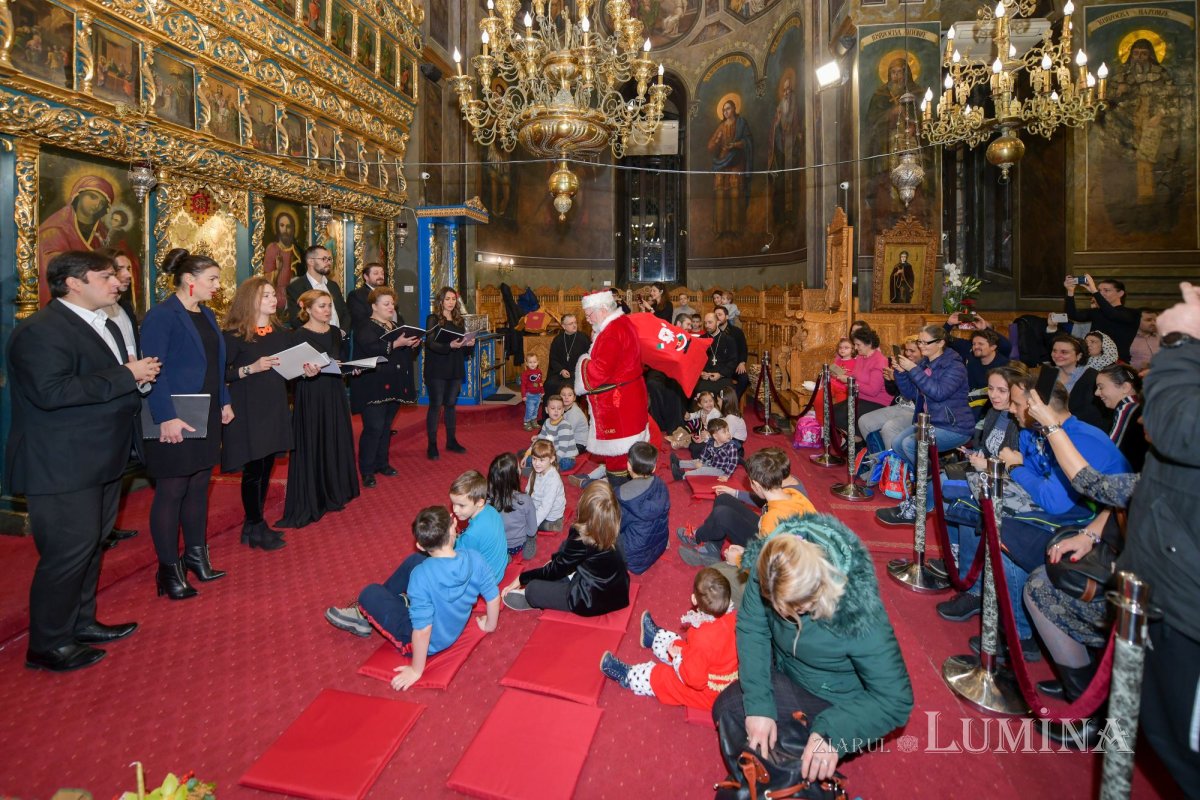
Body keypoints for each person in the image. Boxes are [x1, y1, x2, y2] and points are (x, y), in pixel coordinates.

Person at [8, 251, 158, 671]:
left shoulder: (99, 323)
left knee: (92, 546)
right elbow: (51, 392)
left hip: (100, 457)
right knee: (67, 552)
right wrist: (127, 375)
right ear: (73, 282)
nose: (116, 282)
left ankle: (82, 622)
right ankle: (48, 643)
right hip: (62, 463)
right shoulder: (40, 331)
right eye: (106, 276)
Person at [936, 375, 1129, 659]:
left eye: (1017, 403)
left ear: (1038, 406)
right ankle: (973, 589)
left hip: (1093, 527)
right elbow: (1037, 480)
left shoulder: (1083, 438)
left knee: (1008, 534)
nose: (1012, 410)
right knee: (969, 500)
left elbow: (1051, 498)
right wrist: (1017, 468)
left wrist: (1015, 468)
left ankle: (1021, 635)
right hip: (1060, 510)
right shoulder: (1034, 432)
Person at [714, 515, 913, 786]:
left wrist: (834, 734)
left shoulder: (859, 613)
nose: (782, 614)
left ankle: (798, 772)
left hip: (835, 699)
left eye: (796, 609)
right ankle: (788, 765)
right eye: (774, 604)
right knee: (730, 710)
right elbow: (753, 627)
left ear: (821, 589)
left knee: (758, 740)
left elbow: (895, 701)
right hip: (788, 670)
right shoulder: (773, 564)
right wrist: (760, 705)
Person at [140, 249, 233, 599]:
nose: (217, 286)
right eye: (213, 280)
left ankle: (196, 556)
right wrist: (165, 416)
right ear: (189, 281)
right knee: (172, 491)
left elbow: (215, 364)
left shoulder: (207, 315)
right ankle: (168, 569)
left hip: (205, 412)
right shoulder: (162, 317)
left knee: (198, 486)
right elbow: (153, 369)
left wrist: (224, 402)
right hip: (173, 415)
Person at [324, 506, 500, 691]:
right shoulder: (475, 558)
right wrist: (490, 625)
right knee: (414, 561)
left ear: (421, 545)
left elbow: (423, 630)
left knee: (369, 593)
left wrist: (416, 669)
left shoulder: (421, 576)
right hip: (450, 626)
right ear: (454, 525)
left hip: (424, 641)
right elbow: (493, 597)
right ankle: (399, 603)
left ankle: (363, 616)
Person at [221, 276, 296, 551]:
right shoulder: (233, 336)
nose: (273, 299)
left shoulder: (281, 333)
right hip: (248, 407)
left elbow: (290, 367)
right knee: (253, 468)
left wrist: (305, 368)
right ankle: (254, 522)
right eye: (265, 295)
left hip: (274, 404)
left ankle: (254, 524)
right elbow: (220, 374)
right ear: (250, 300)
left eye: (273, 295)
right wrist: (250, 368)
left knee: (266, 466)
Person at [275, 289, 359, 528]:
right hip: (310, 393)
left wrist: (348, 367)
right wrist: (304, 371)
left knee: (333, 439)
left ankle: (335, 489)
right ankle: (314, 496)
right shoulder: (297, 335)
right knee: (313, 441)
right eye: (321, 306)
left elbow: (336, 359)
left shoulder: (334, 332)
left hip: (334, 392)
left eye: (329, 306)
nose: (327, 310)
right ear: (308, 309)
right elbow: (289, 372)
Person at [876, 325, 974, 526]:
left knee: (912, 445)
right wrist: (902, 373)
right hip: (929, 423)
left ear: (940, 343)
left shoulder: (954, 366)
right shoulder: (926, 363)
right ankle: (927, 473)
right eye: (919, 342)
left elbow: (937, 393)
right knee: (897, 442)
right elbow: (911, 394)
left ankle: (926, 480)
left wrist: (912, 369)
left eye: (924, 342)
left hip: (954, 426)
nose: (921, 346)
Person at [601, 568, 738, 710]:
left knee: (661, 677)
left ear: (694, 599)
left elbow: (695, 680)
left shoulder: (701, 637)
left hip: (709, 692)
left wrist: (678, 659)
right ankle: (653, 638)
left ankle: (628, 676)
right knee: (678, 644)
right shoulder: (733, 617)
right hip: (716, 670)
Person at [501, 481, 631, 614]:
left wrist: (522, 578)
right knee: (557, 565)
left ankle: (533, 597)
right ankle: (561, 580)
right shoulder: (611, 524)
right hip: (619, 591)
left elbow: (555, 570)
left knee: (533, 588)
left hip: (590, 598)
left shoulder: (582, 537)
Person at [679, 446, 816, 567]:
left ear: (756, 484)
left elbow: (766, 561)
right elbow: (764, 501)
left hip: (772, 550)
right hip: (773, 536)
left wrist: (739, 558)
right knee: (724, 499)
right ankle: (712, 548)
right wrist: (734, 493)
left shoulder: (772, 518)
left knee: (723, 515)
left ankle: (700, 538)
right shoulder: (788, 490)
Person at [576, 289, 650, 482]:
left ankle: (618, 494)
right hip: (630, 394)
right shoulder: (622, 322)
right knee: (631, 450)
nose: (588, 319)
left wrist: (583, 361)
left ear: (602, 309)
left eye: (589, 314)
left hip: (619, 402)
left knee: (618, 455)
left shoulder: (611, 332)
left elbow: (598, 372)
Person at [351, 287, 419, 487]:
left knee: (386, 426)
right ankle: (366, 469)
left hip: (394, 383)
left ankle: (382, 463)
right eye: (386, 304)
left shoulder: (395, 325)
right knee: (373, 427)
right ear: (374, 306)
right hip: (373, 384)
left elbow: (402, 354)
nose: (391, 307)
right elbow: (370, 348)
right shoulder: (365, 326)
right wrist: (397, 344)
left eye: (392, 303)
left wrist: (412, 345)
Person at [98, 249, 142, 550]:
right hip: (105, 397)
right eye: (119, 270)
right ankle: (98, 530)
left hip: (131, 391)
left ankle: (108, 525)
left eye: (128, 268)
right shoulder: (95, 312)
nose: (127, 275)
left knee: (119, 467)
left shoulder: (124, 307)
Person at [36, 176, 115, 307]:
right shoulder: (55, 229)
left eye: (102, 203)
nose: (96, 205)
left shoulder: (101, 233)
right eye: (92, 197)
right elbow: (50, 265)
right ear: (78, 195)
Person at [424, 286, 471, 460]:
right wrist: (448, 346)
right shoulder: (433, 318)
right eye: (447, 299)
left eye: (453, 299)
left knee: (451, 404)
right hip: (437, 368)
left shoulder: (459, 321)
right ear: (441, 301)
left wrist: (468, 345)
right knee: (436, 405)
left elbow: (463, 350)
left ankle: (451, 441)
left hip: (455, 366)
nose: (451, 302)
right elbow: (429, 343)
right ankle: (432, 445)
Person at [615, 441, 670, 575]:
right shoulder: (661, 485)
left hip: (633, 558)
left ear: (628, 465)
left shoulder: (621, 495)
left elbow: (617, 526)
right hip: (659, 544)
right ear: (653, 468)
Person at [858, 336, 920, 454]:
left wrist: (898, 378)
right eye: (906, 350)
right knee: (864, 421)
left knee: (889, 428)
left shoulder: (923, 368)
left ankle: (894, 467)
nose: (908, 354)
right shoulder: (903, 364)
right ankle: (880, 459)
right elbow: (892, 391)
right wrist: (890, 379)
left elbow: (917, 395)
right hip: (900, 405)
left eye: (912, 351)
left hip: (916, 410)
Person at [449, 470, 509, 585]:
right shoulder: (491, 510)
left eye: (461, 505)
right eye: (453, 503)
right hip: (499, 567)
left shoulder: (471, 535)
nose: (455, 510)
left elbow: (454, 555)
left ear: (480, 502)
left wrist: (450, 536)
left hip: (487, 581)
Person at [1037, 333, 1107, 429]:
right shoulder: (1048, 373)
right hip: (1048, 424)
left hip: (1080, 428)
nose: (1057, 355)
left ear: (1079, 356)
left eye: (1064, 352)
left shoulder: (1093, 377)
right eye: (1054, 351)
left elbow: (1091, 414)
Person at [1064, 274, 1140, 362]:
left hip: (1117, 362)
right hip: (1093, 360)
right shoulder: (1097, 312)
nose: (1101, 293)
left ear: (1120, 293)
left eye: (1106, 290)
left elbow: (1112, 314)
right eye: (1100, 290)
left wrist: (1094, 291)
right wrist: (1070, 291)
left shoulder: (1132, 313)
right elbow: (1072, 315)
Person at [832, 327, 892, 436]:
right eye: (855, 344)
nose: (855, 347)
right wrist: (843, 376)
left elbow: (873, 391)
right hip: (861, 398)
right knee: (832, 411)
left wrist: (850, 381)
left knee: (841, 415)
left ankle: (858, 440)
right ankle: (854, 439)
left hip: (877, 402)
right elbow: (855, 375)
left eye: (858, 345)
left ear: (868, 344)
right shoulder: (860, 357)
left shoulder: (879, 361)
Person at [708, 98, 753, 239]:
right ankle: (720, 230)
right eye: (724, 109)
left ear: (734, 109)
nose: (725, 111)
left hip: (736, 162)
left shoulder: (741, 123)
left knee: (735, 195)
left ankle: (736, 230)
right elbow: (710, 147)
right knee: (720, 195)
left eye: (728, 108)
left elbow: (748, 142)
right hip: (722, 163)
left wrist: (736, 145)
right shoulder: (721, 126)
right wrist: (716, 141)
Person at [1091, 363, 1147, 471]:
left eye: (1101, 387)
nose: (1097, 393)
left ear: (1125, 387)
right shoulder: (1136, 405)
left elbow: (1111, 452)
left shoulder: (1127, 407)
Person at [487, 453, 538, 560]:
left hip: (500, 545)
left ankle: (503, 556)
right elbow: (532, 529)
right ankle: (530, 541)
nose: (521, 469)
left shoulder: (487, 500)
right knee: (532, 533)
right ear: (514, 476)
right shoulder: (524, 500)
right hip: (519, 543)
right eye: (519, 467)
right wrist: (531, 535)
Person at [286, 245, 348, 328]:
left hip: (339, 338)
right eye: (324, 259)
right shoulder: (296, 287)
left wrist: (342, 332)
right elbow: (297, 320)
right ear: (311, 262)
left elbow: (345, 313)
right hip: (313, 338)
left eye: (329, 259)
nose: (329, 262)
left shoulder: (333, 286)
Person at [670, 418, 740, 481]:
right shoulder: (711, 442)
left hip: (721, 470)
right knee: (696, 461)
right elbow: (705, 452)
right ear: (715, 436)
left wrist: (726, 475)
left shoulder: (731, 446)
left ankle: (682, 475)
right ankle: (679, 463)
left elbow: (733, 463)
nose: (728, 434)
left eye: (728, 431)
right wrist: (701, 461)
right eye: (724, 432)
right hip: (712, 463)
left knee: (702, 470)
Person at [525, 439, 566, 533]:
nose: (536, 463)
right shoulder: (534, 472)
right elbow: (528, 491)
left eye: (541, 460)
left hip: (550, 516)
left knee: (521, 523)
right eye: (534, 459)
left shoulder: (553, 480)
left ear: (551, 459)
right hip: (536, 506)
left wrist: (532, 524)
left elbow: (545, 507)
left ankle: (554, 525)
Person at [263, 210, 301, 310]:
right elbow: (267, 278)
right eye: (282, 225)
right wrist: (278, 269)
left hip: (293, 295)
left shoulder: (296, 250)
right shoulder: (273, 248)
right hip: (276, 295)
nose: (285, 229)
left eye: (288, 226)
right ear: (277, 227)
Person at [528, 395, 577, 471]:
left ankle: (541, 470)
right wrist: (530, 451)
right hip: (552, 454)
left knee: (564, 464)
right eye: (553, 408)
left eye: (559, 408)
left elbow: (562, 450)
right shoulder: (547, 421)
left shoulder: (564, 425)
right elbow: (540, 439)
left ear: (563, 410)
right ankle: (539, 468)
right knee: (530, 458)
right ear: (547, 410)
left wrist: (550, 461)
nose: (556, 411)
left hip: (566, 457)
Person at [694, 311, 738, 395]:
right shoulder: (700, 339)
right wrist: (701, 372)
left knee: (728, 393)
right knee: (698, 391)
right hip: (705, 377)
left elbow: (733, 361)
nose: (707, 326)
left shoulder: (728, 340)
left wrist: (720, 374)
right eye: (705, 323)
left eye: (710, 322)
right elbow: (695, 360)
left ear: (717, 322)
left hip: (723, 377)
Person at [545, 312, 584, 399]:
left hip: (577, 374)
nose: (574, 325)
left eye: (575, 322)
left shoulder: (583, 338)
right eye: (571, 323)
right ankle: (552, 411)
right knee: (550, 384)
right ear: (563, 326)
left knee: (569, 386)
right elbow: (553, 359)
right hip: (560, 373)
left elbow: (588, 358)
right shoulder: (557, 340)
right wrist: (561, 370)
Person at [715, 305, 749, 397]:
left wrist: (742, 362)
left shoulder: (737, 331)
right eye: (715, 315)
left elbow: (743, 349)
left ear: (726, 317)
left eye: (720, 314)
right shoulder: (712, 332)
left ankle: (733, 403)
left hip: (734, 366)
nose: (717, 317)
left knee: (744, 379)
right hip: (717, 366)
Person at [348, 262, 388, 335]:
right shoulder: (356, 295)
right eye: (376, 273)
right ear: (366, 277)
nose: (380, 276)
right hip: (369, 337)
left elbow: (396, 315)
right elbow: (360, 320)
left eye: (382, 273)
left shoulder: (388, 293)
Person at [558, 385, 589, 453]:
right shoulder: (562, 408)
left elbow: (566, 434)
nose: (566, 397)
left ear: (574, 398)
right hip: (568, 439)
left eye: (570, 395)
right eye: (563, 395)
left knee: (550, 451)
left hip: (579, 444)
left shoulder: (575, 413)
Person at [520, 353, 545, 431]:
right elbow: (523, 385)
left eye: (534, 362)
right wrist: (523, 395)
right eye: (530, 362)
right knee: (530, 409)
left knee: (536, 409)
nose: (532, 364)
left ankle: (533, 421)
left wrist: (542, 391)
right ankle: (526, 422)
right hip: (529, 395)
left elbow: (540, 382)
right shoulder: (525, 374)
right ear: (526, 363)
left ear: (537, 362)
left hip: (537, 395)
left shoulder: (539, 371)